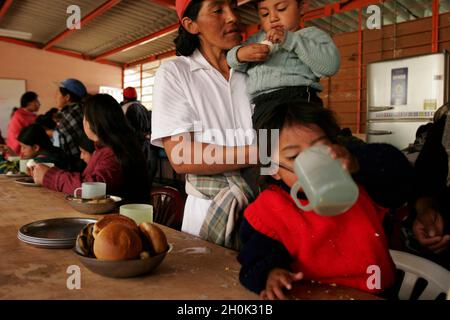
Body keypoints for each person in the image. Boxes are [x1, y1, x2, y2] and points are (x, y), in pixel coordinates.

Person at [238, 100, 415, 300]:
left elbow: (403, 176)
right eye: (295, 156)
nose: (314, 165)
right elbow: (254, 258)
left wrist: (357, 162)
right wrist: (270, 274)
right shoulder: (270, 209)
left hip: (378, 294)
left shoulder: (362, 182)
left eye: (321, 148)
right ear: (273, 169)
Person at [152, 0, 258, 249]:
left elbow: (280, 131)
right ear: (191, 25)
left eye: (233, 7)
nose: (233, 17)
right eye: (218, 10)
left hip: (264, 207)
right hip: (208, 210)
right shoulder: (176, 73)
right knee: (209, 282)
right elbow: (181, 156)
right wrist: (263, 152)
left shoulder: (255, 71)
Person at [226, 0, 340, 125]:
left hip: (298, 99)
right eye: (265, 14)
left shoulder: (310, 36)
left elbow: (330, 66)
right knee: (267, 143)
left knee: (304, 139)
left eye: (281, 9)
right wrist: (240, 54)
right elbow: (230, 59)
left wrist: (290, 40)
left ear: (302, 7)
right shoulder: (255, 40)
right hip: (262, 105)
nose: (273, 18)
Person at [32, 94, 150, 204]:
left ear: (91, 122)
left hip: (119, 218)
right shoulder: (110, 147)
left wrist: (50, 176)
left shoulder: (114, 152)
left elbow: (92, 188)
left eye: (84, 117)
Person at [121, 86, 157, 185]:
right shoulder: (143, 107)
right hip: (146, 145)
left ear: (124, 97)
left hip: (132, 146)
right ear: (136, 96)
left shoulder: (124, 109)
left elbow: (128, 130)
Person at [55, 78, 87, 172]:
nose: (55, 97)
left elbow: (64, 148)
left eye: (58, 94)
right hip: (83, 161)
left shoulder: (70, 114)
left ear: (67, 97)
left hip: (75, 166)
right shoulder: (81, 108)